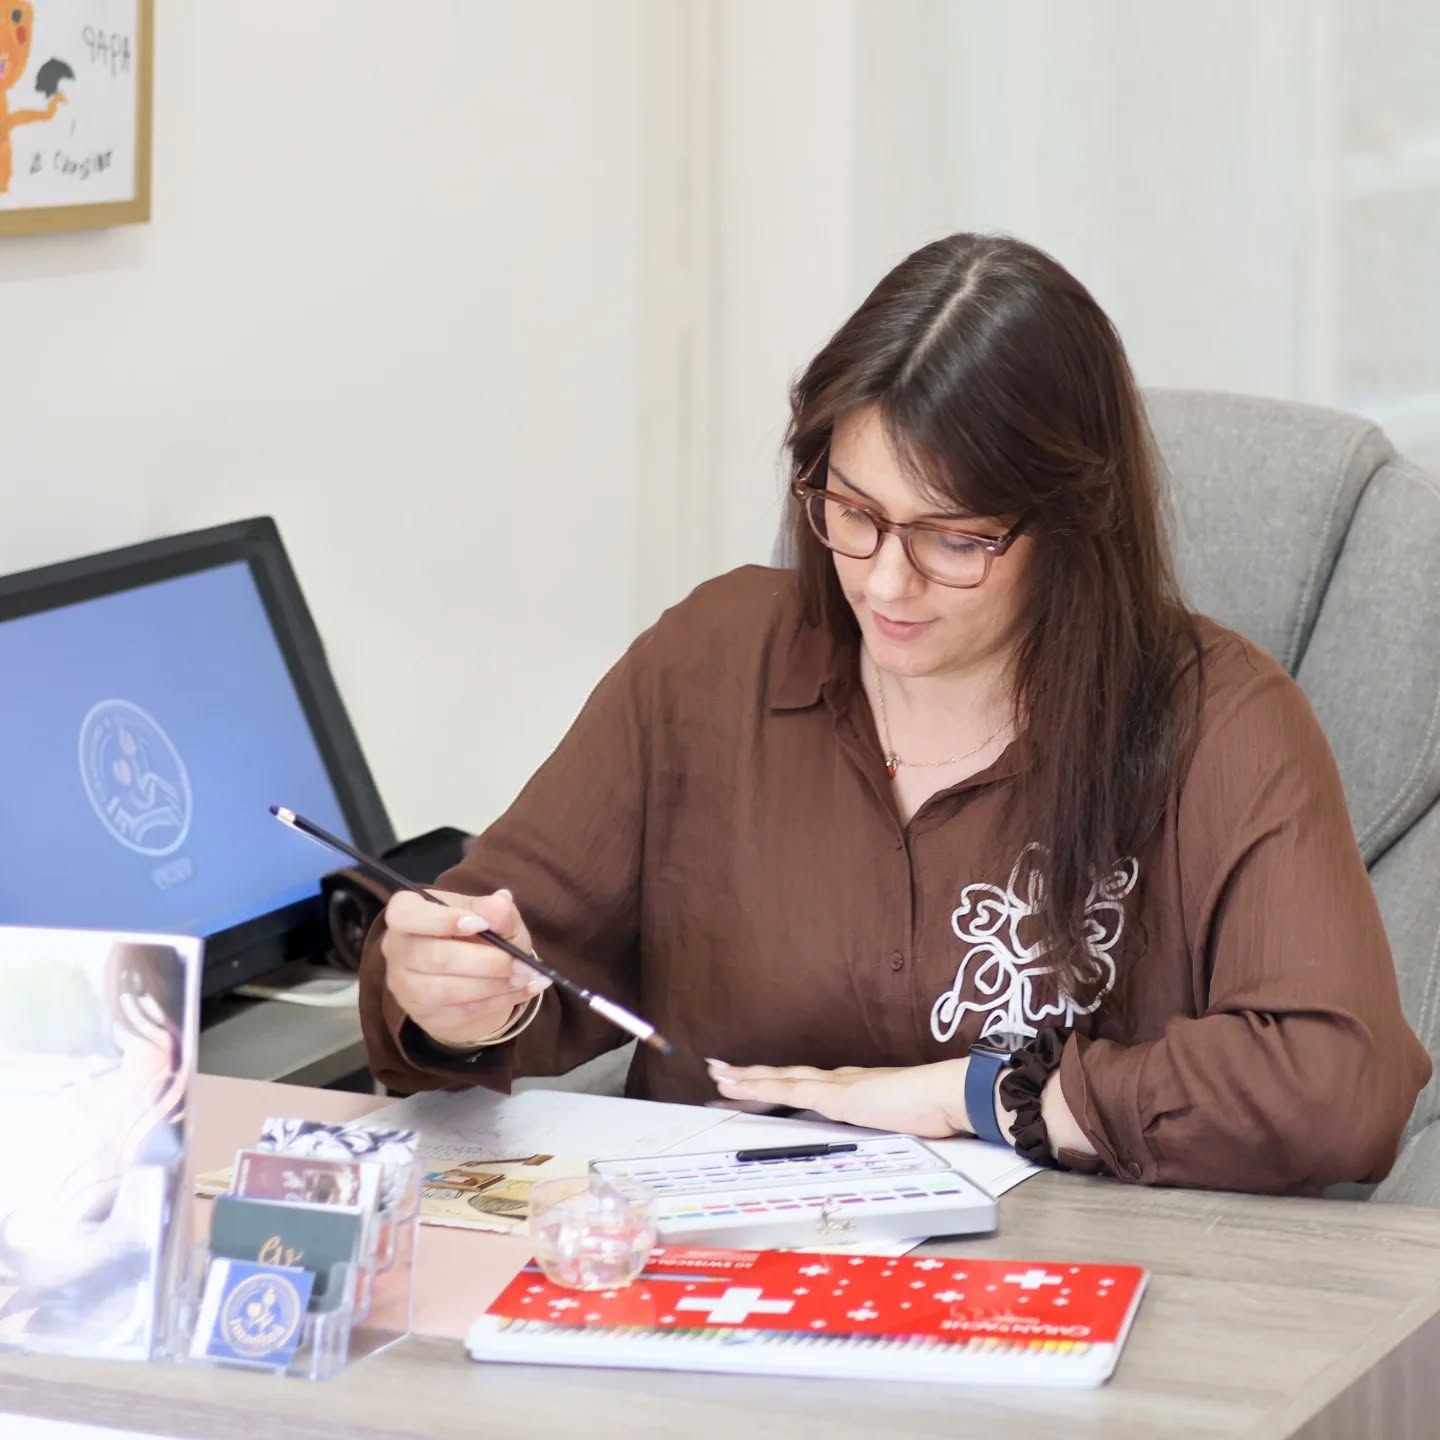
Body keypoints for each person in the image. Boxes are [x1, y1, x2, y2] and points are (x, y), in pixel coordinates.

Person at [360, 233, 1431, 1195]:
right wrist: (453, 994)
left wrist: (981, 1098)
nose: (885, 583)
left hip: (1075, 1319)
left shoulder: (1219, 721)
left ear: (1073, 524)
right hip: (705, 1288)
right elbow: (502, 944)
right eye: (852, 513)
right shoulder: (709, 664)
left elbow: (1336, 1083)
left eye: (954, 539)